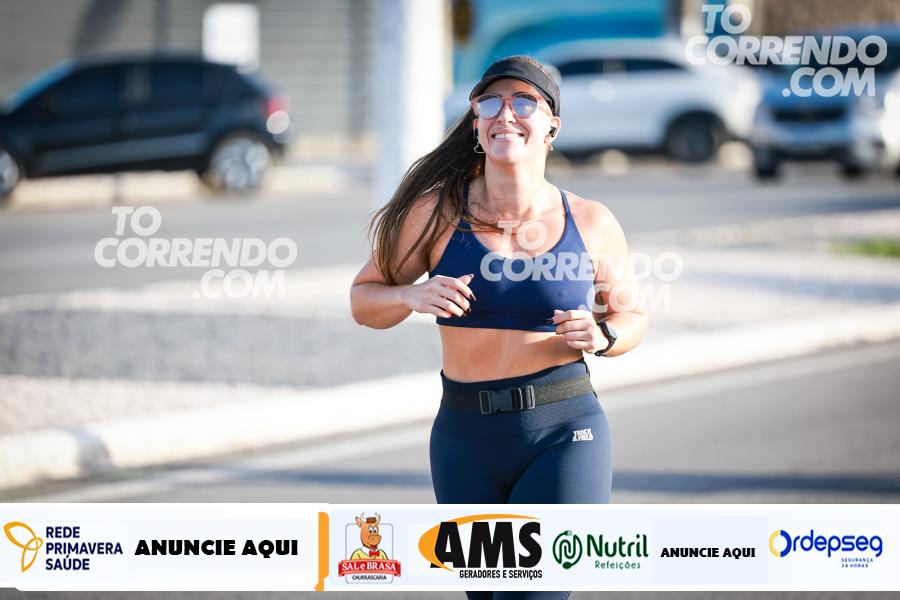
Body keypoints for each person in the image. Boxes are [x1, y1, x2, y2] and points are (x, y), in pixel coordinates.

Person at [350, 55, 649, 600]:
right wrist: (410, 295)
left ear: (552, 126)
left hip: (564, 433)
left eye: (523, 102)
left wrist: (603, 337)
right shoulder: (435, 215)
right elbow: (363, 300)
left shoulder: (590, 220)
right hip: (464, 440)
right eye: (491, 102)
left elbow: (632, 316)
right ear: (476, 123)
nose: (505, 114)